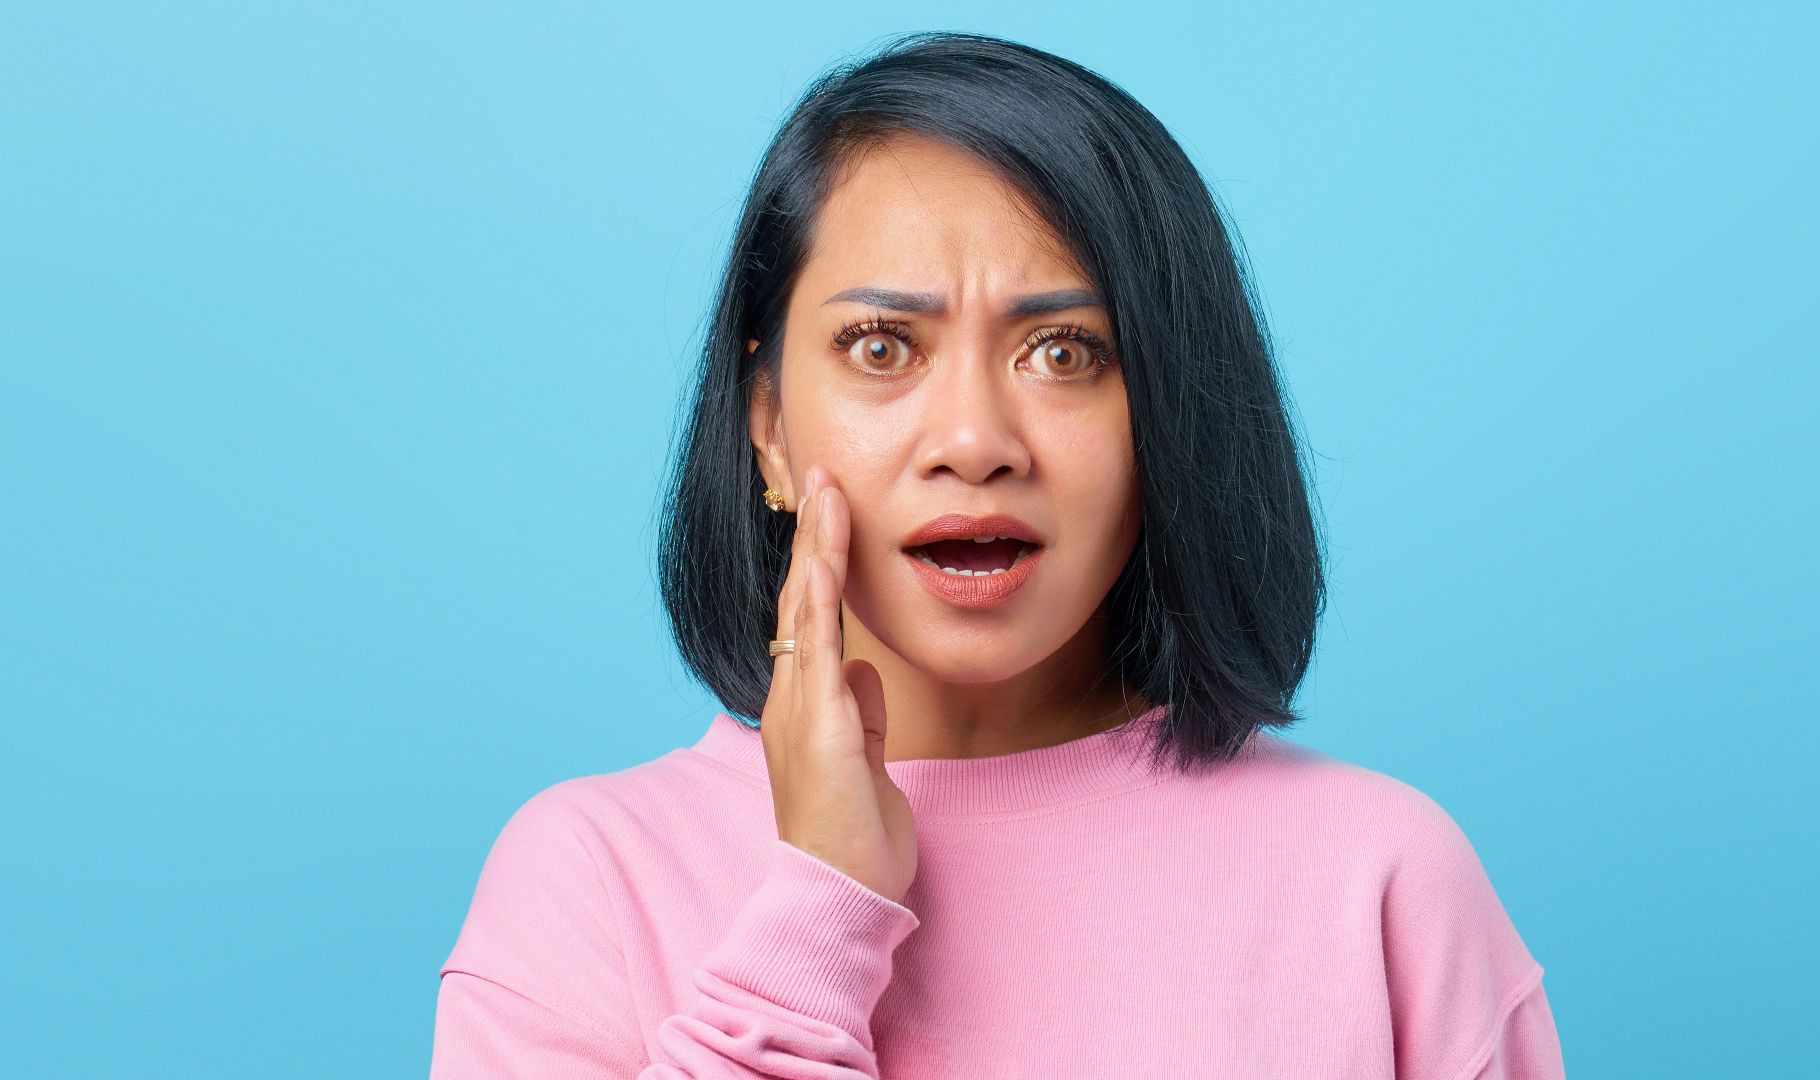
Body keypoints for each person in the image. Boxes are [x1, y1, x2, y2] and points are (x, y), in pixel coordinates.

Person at [429, 30, 1564, 1079]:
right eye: (882, 347)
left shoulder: (1382, 882)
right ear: (767, 423)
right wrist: (819, 909)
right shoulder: (589, 878)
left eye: (1066, 352)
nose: (975, 442)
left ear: (1167, 416)